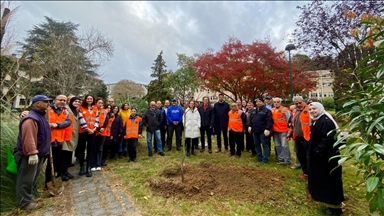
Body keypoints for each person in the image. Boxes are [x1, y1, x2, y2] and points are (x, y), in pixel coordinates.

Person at [15, 94, 52, 210]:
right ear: (37, 104)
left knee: (33, 179)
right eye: (45, 102)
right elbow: (29, 137)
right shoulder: (31, 119)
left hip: (40, 154)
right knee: (26, 180)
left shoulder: (41, 116)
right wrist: (32, 153)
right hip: (30, 156)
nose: (48, 104)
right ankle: (24, 203)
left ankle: (29, 198)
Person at [307, 102, 344, 215]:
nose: (312, 111)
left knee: (330, 182)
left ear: (320, 109)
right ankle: (329, 204)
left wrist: (318, 150)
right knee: (323, 181)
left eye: (314, 109)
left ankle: (336, 207)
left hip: (327, 158)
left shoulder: (326, 121)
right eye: (310, 109)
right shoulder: (318, 120)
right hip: (321, 158)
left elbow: (328, 140)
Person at [45, 95, 72, 185]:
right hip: (47, 140)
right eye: (60, 100)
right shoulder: (48, 109)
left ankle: (50, 182)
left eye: (64, 100)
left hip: (59, 140)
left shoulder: (65, 111)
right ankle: (44, 182)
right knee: (45, 162)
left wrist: (57, 124)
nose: (62, 102)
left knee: (54, 162)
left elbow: (68, 122)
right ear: (55, 100)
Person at [75, 94, 99, 177]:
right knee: (81, 150)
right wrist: (87, 129)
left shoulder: (95, 108)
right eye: (88, 98)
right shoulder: (81, 108)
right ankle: (82, 167)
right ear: (85, 99)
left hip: (92, 132)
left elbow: (97, 119)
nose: (89, 100)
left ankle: (88, 167)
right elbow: (81, 119)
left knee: (90, 150)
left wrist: (94, 128)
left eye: (91, 99)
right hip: (83, 132)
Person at [289, 96, 310, 179]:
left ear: (303, 101)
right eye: (296, 103)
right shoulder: (294, 111)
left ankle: (311, 173)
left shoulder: (309, 110)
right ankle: (305, 173)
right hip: (297, 136)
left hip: (307, 137)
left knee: (308, 156)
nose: (298, 105)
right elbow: (292, 123)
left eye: (300, 103)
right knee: (300, 155)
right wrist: (289, 133)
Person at [61, 96, 80, 180]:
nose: (77, 103)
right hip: (66, 135)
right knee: (64, 154)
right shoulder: (65, 109)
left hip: (73, 135)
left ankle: (66, 171)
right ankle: (61, 172)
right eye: (75, 101)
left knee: (69, 155)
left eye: (78, 102)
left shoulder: (77, 111)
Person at [249, 97, 273, 163]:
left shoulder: (267, 111)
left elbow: (269, 121)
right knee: (256, 144)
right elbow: (251, 120)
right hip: (255, 131)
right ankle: (259, 157)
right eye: (257, 102)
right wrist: (250, 126)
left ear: (263, 102)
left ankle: (265, 159)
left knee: (265, 145)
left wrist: (267, 129)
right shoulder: (254, 111)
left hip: (263, 131)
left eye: (260, 101)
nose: (258, 103)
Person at [271, 97, 291, 165]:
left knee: (284, 145)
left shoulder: (285, 110)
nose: (276, 103)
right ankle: (280, 159)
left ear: (280, 102)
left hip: (283, 130)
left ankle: (287, 160)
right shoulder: (272, 110)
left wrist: (289, 131)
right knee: (277, 145)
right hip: (275, 131)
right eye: (275, 102)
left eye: (277, 102)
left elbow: (289, 120)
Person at [289, 104, 301, 170]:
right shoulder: (293, 114)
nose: (292, 111)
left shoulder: (303, 113)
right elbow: (291, 124)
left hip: (303, 135)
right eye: (291, 110)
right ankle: (298, 163)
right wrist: (289, 133)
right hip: (295, 134)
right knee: (296, 150)